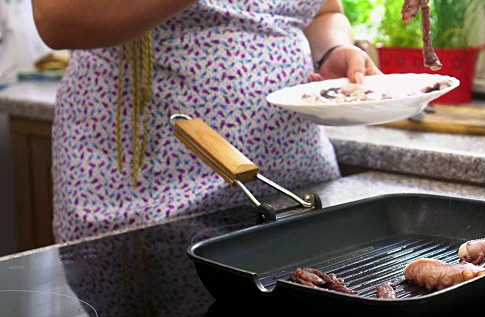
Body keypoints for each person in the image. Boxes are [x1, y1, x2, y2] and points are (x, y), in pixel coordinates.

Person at [30, 0, 383, 242]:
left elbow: (323, 11)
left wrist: (332, 49)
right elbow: (59, 17)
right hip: (154, 197)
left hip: (292, 189)